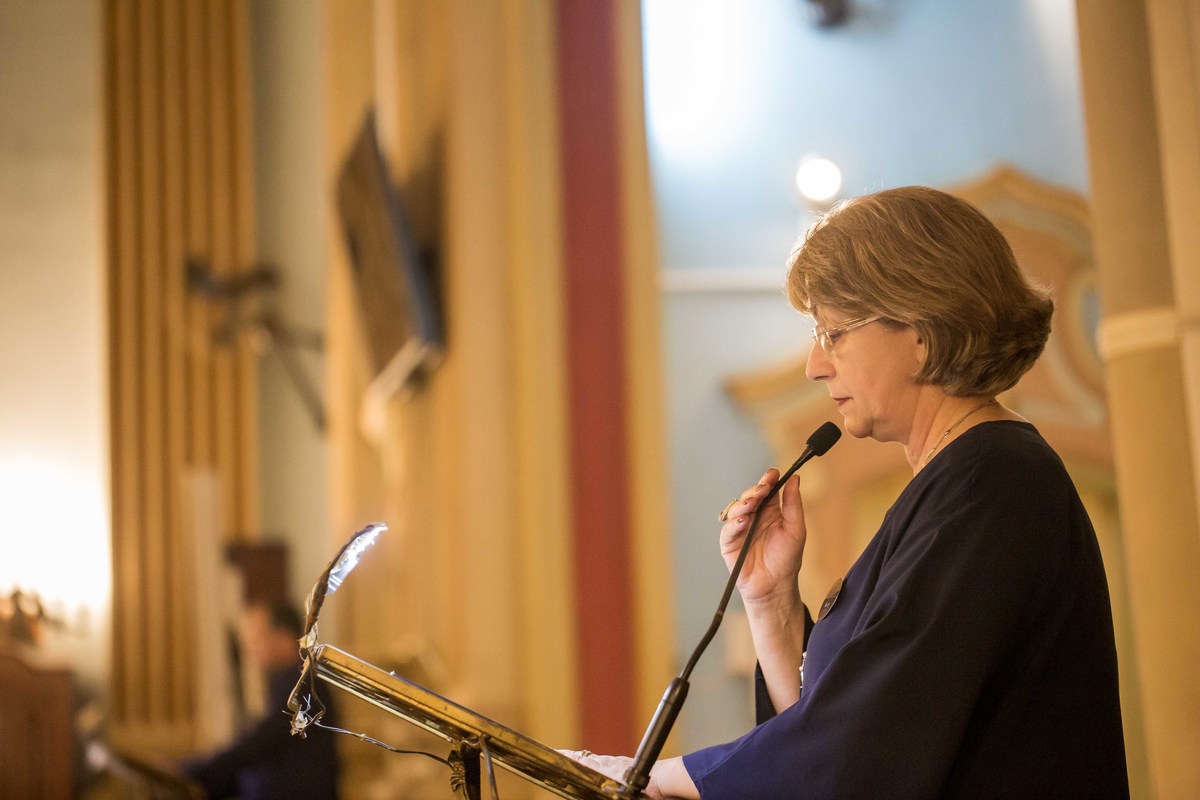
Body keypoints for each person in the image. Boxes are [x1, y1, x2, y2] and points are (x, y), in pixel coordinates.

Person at [569, 186, 1129, 798]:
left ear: (921, 330)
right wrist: (771, 601)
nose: (814, 363)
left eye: (833, 332)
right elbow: (839, 725)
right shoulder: (959, 481)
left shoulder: (994, 482)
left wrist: (655, 778)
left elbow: (867, 747)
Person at [182, 600, 341, 800]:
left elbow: (258, 743)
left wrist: (189, 770)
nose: (251, 649)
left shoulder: (304, 685)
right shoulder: (290, 680)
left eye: (256, 639)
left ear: (283, 638)